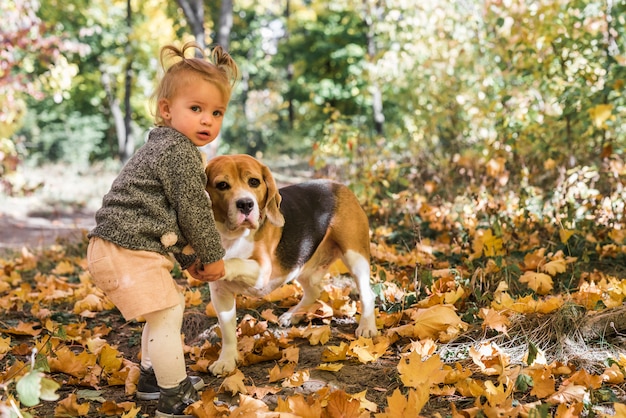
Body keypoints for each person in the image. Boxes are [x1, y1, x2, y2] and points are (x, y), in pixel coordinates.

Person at [87, 41, 239, 417]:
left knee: (163, 310)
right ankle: (175, 394)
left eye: (217, 112)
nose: (208, 120)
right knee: (169, 312)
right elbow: (193, 212)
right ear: (166, 110)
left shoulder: (165, 146)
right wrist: (212, 258)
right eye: (196, 109)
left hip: (123, 245)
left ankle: (153, 380)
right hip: (124, 249)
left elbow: (162, 219)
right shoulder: (179, 153)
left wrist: (187, 259)